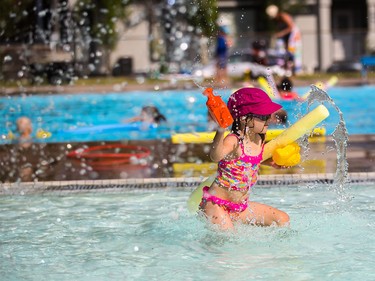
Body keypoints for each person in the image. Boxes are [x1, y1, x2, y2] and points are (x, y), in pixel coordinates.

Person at [199, 87, 290, 230]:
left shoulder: (259, 138)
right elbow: (216, 156)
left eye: (268, 115)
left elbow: (246, 161)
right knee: (230, 243)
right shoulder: (234, 140)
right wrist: (221, 130)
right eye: (262, 116)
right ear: (243, 119)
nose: (268, 120)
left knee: (282, 219)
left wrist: (271, 163)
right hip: (217, 204)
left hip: (239, 207)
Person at [266, 5, 302, 74]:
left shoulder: (283, 16)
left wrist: (281, 34)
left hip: (294, 35)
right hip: (288, 36)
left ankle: (297, 70)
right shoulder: (277, 20)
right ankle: (288, 69)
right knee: (287, 52)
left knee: (294, 52)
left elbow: (291, 27)